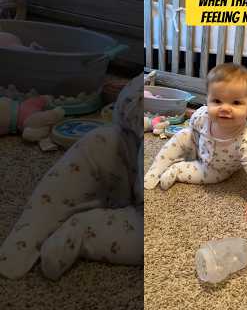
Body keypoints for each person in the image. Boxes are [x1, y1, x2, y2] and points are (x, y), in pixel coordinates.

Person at [0, 74, 144, 280]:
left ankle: (80, 230)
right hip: (131, 162)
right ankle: (31, 229)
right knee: (102, 140)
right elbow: (126, 104)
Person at [144, 63, 247, 224]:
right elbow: (192, 128)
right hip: (200, 144)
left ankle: (176, 170)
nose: (225, 108)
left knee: (201, 174)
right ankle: (157, 168)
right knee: (182, 135)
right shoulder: (202, 115)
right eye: (217, 101)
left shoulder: (246, 141)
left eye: (236, 103)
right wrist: (189, 146)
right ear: (207, 101)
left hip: (216, 168)